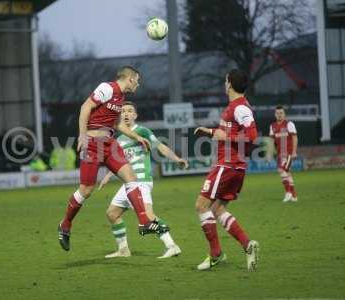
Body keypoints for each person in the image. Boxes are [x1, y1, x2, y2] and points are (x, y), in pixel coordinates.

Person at [57, 66, 162, 252]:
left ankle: (144, 221)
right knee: (86, 190)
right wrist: (82, 135)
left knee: (131, 178)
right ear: (129, 78)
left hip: (109, 144)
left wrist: (136, 137)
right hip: (93, 143)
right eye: (137, 79)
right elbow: (85, 107)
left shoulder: (120, 98)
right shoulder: (107, 88)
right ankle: (65, 224)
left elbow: (117, 123)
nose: (138, 83)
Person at [98, 101, 188, 259]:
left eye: (129, 111)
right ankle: (123, 249)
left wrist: (176, 158)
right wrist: (107, 176)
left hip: (141, 181)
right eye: (123, 111)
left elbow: (160, 146)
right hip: (128, 184)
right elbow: (118, 162)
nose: (126, 113)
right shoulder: (119, 140)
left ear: (135, 115)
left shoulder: (142, 131)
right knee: (112, 213)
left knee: (148, 215)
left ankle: (172, 246)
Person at [193, 69, 259, 271]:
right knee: (217, 209)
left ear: (229, 83)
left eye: (224, 80)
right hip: (233, 167)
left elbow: (253, 137)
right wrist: (211, 131)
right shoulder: (234, 107)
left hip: (228, 165)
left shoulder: (240, 108)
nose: (224, 83)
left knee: (201, 206)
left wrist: (225, 138)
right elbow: (229, 132)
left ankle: (216, 254)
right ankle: (248, 245)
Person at [269, 105, 298, 202]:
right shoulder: (272, 126)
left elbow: (294, 138)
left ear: (284, 114)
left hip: (289, 153)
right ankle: (294, 196)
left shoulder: (289, 124)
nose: (279, 115)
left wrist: (294, 152)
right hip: (280, 154)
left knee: (282, 170)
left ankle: (288, 192)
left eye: (281, 113)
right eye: (277, 113)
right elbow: (272, 141)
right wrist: (270, 153)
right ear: (275, 114)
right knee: (287, 173)